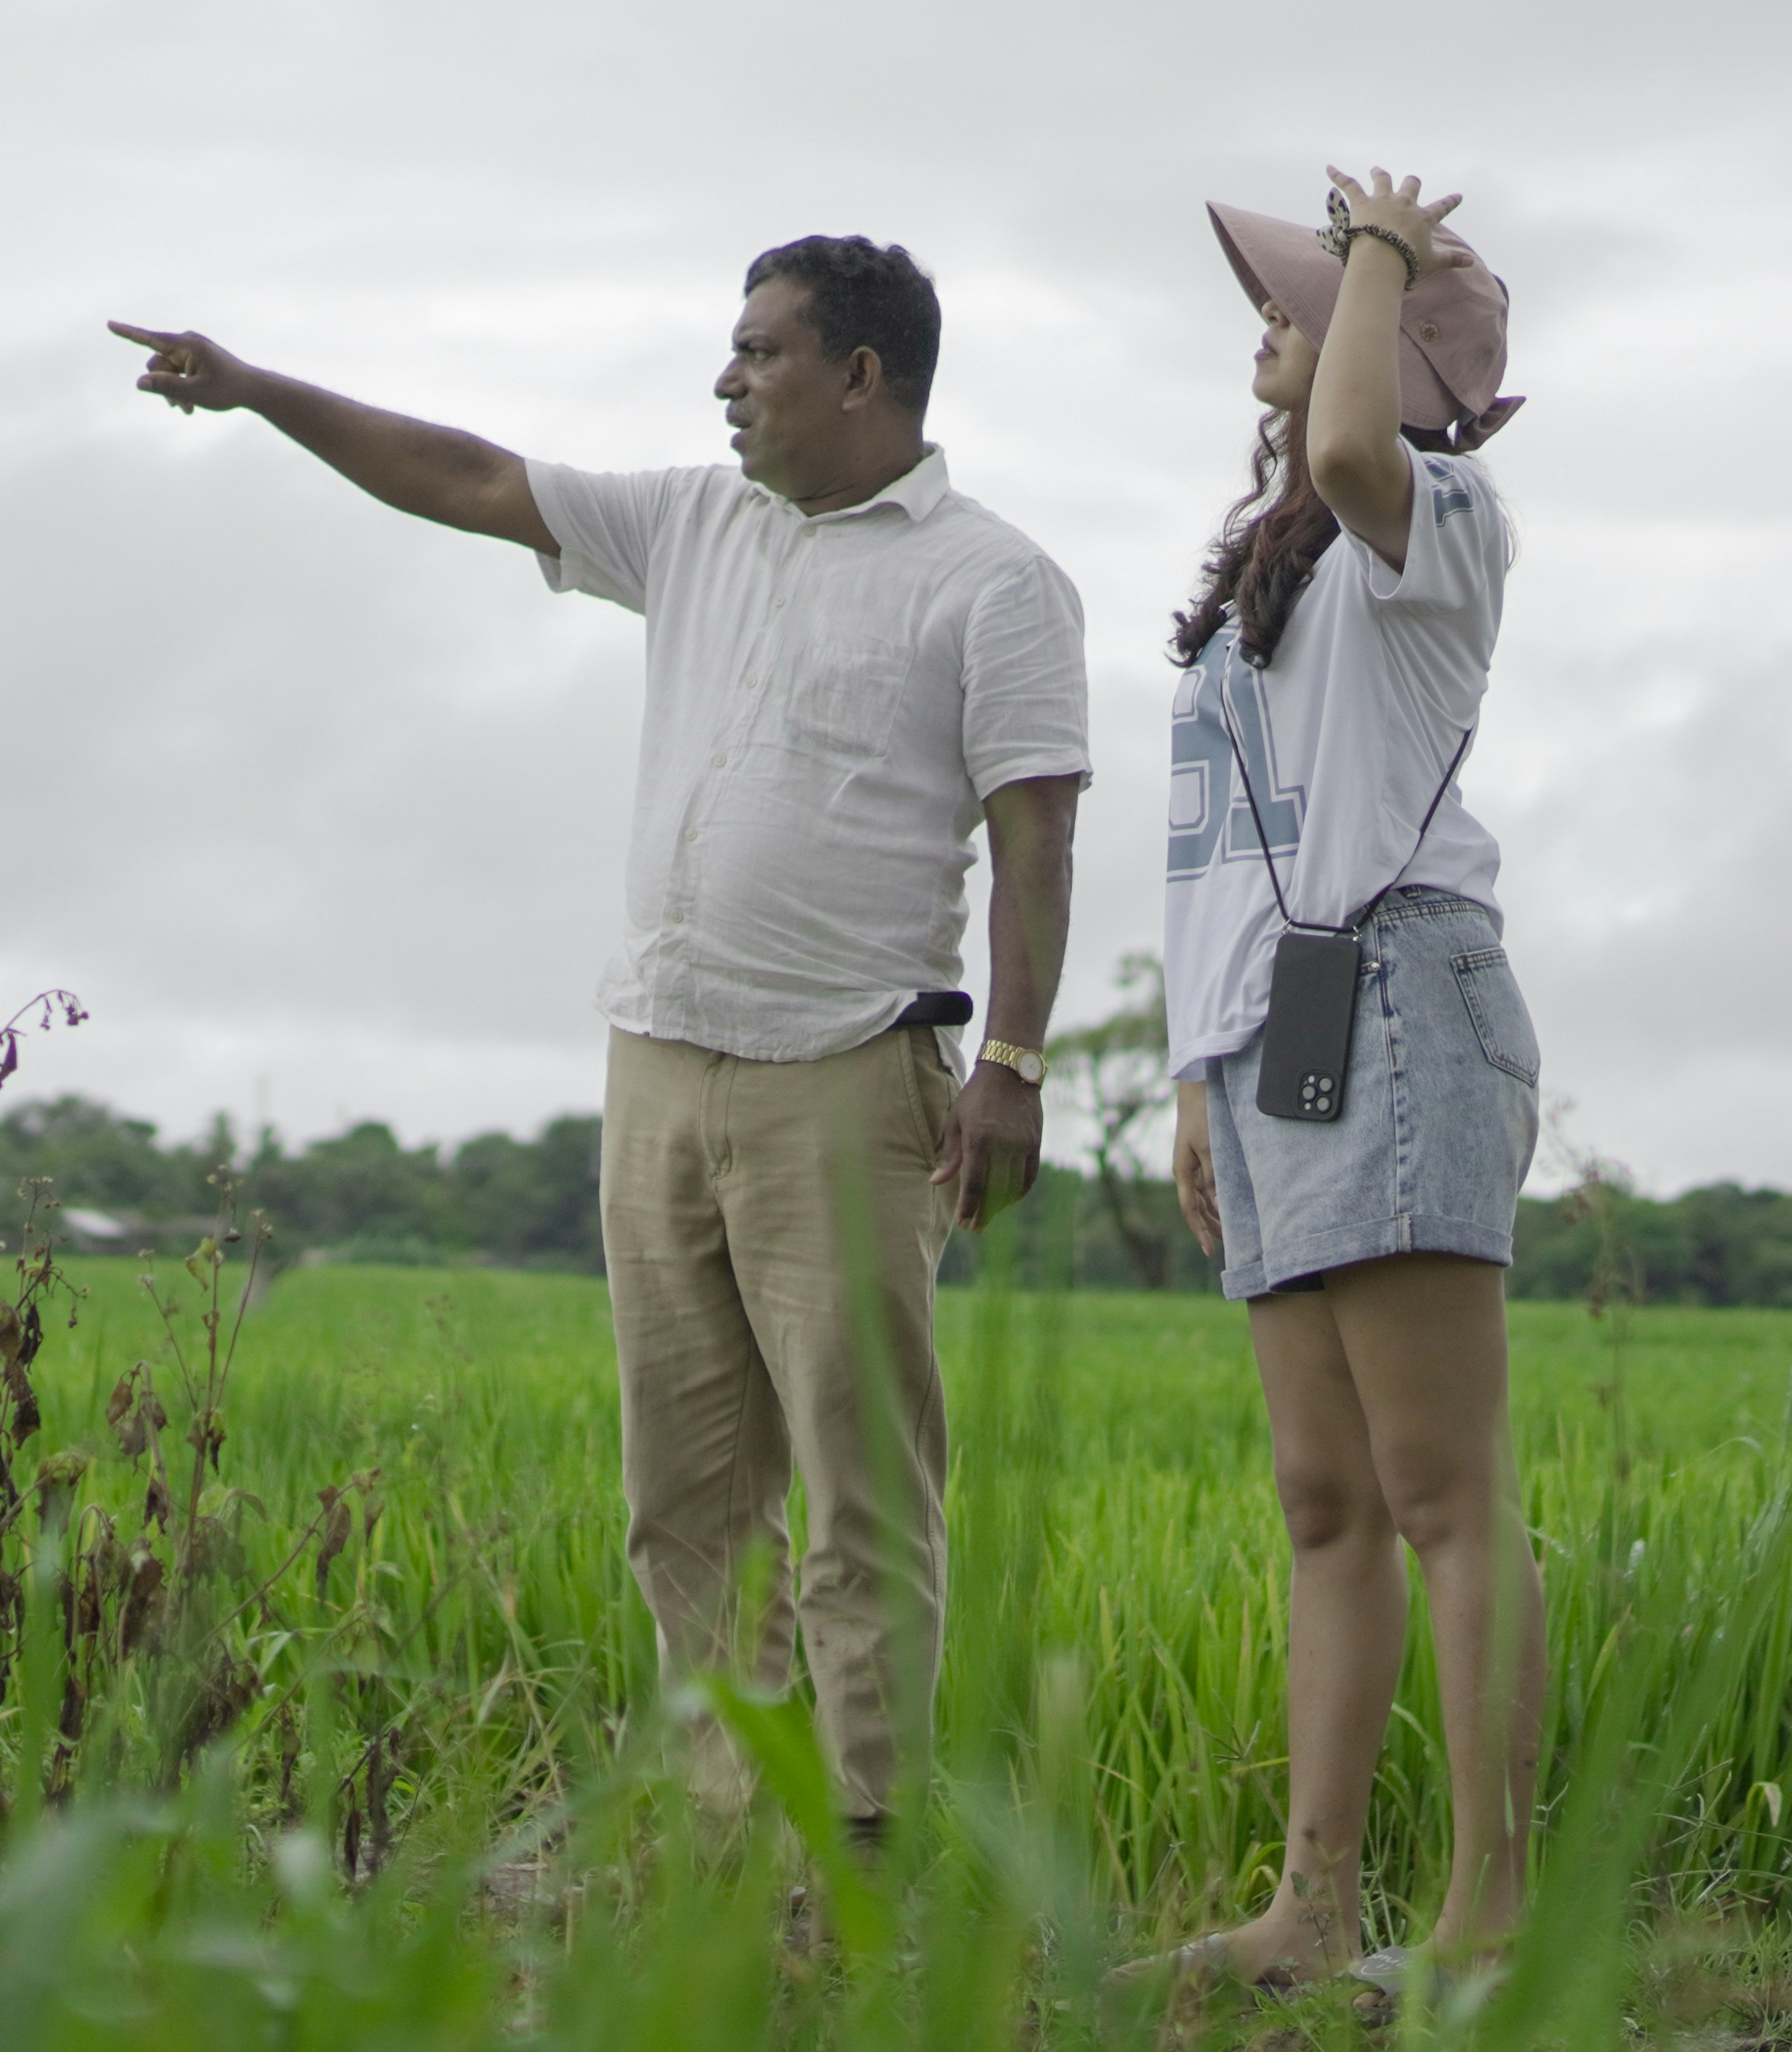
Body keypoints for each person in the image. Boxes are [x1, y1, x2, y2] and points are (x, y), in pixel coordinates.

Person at [110, 237, 1087, 1838]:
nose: (728, 377)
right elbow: (474, 473)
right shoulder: (690, 519)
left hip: (844, 1074)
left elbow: (1036, 838)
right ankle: (718, 1826)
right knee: (685, 1498)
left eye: (760, 350)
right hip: (657, 1063)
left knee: (859, 1489)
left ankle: (867, 1842)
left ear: (859, 373)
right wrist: (260, 386)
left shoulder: (994, 578)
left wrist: (1017, 1067)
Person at [1152, 165, 1545, 1992]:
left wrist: (1383, 247)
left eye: (1308, 304)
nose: (1276, 319)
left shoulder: (1436, 508)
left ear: (1391, 363)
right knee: (1322, 1496)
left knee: (1438, 1484)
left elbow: (1367, 447)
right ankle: (1312, 1909)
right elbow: (1229, 846)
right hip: (1272, 1028)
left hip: (1397, 993)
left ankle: (1487, 1918)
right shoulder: (1273, 562)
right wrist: (1190, 1071)